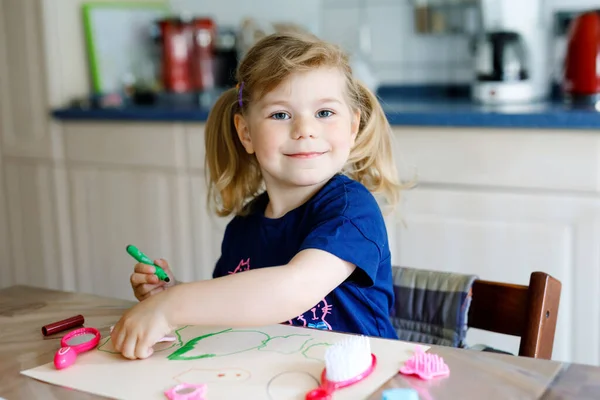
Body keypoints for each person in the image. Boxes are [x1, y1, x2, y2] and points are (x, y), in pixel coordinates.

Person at [111, 31, 409, 360]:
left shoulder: (351, 210)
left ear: (353, 127)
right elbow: (238, 307)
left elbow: (294, 288)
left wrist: (171, 307)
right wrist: (170, 291)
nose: (305, 130)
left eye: (324, 113)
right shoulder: (243, 225)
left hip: (364, 379)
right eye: (280, 115)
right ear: (246, 133)